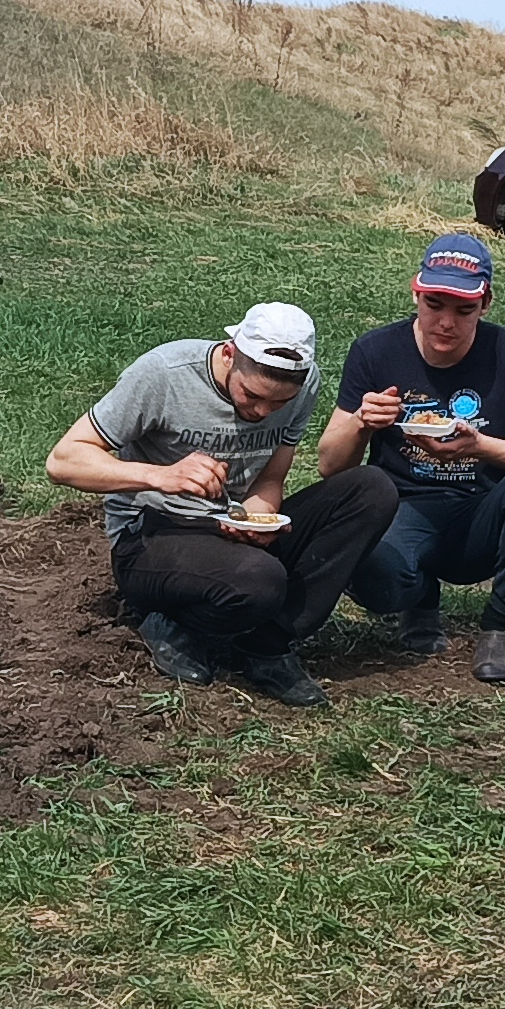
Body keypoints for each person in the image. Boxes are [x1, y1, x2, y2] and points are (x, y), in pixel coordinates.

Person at [50, 301, 396, 707]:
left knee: (371, 488)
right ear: (230, 352)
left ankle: (266, 645)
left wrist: (257, 518)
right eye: (252, 394)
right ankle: (169, 622)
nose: (262, 411)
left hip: (226, 527)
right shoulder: (165, 374)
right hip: (151, 530)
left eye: (279, 403)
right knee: (261, 580)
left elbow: (270, 478)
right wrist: (160, 476)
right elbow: (63, 460)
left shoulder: (304, 386)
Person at [319, 232, 505, 681]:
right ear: (416, 292)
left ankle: (500, 627)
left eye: (464, 310)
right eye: (434, 305)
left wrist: (481, 447)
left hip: (479, 514)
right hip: (401, 508)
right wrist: (361, 421)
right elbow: (330, 465)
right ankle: (417, 597)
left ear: (485, 304)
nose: (446, 322)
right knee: (368, 570)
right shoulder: (376, 350)